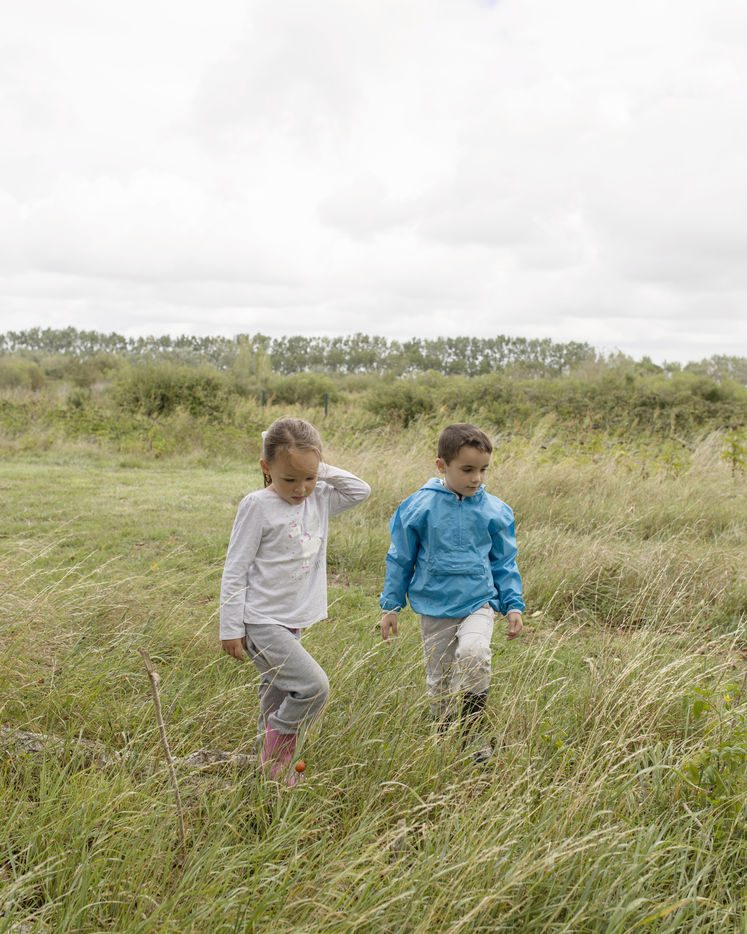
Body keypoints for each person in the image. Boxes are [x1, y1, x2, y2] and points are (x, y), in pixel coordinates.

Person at [220, 417, 370, 785]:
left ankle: (267, 773)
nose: (301, 488)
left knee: (277, 695)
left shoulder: (319, 498)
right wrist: (230, 626)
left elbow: (360, 490)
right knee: (313, 687)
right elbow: (235, 569)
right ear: (266, 468)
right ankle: (277, 753)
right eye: (289, 479)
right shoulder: (258, 505)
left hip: (293, 619)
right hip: (261, 620)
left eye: (309, 478)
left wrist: (316, 467)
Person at [379, 423, 524, 762]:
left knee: (475, 653)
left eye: (484, 470)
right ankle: (443, 738)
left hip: (478, 601)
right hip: (434, 605)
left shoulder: (494, 510)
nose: (477, 479)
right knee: (439, 680)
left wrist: (512, 604)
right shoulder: (419, 507)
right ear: (441, 465)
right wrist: (391, 605)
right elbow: (400, 558)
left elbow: (504, 562)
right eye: (467, 470)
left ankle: (473, 735)